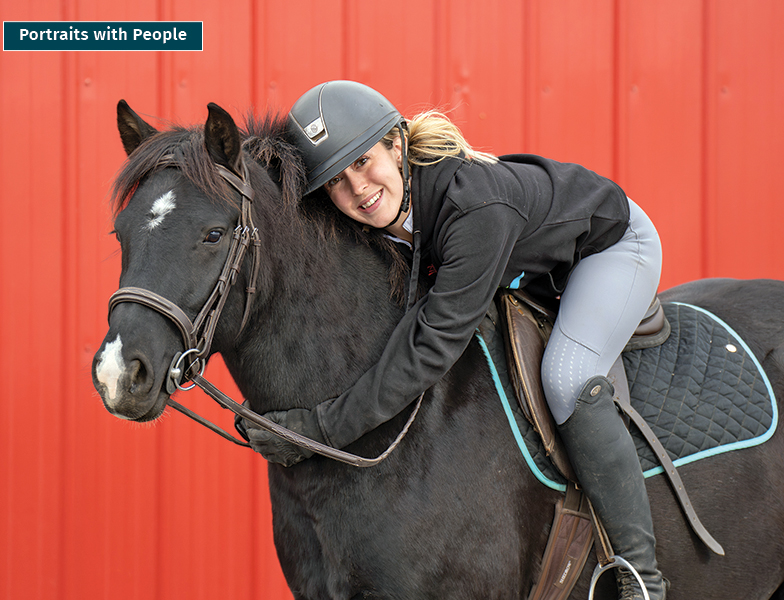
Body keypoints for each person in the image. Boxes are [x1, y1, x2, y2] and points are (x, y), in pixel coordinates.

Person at [238, 80, 667, 600]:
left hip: (611, 247)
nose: (355, 190)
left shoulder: (473, 209)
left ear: (396, 144)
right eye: (334, 183)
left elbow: (431, 344)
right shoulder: (390, 208)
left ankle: (640, 574)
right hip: (532, 264)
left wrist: (321, 427)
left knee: (567, 378)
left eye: (362, 162)